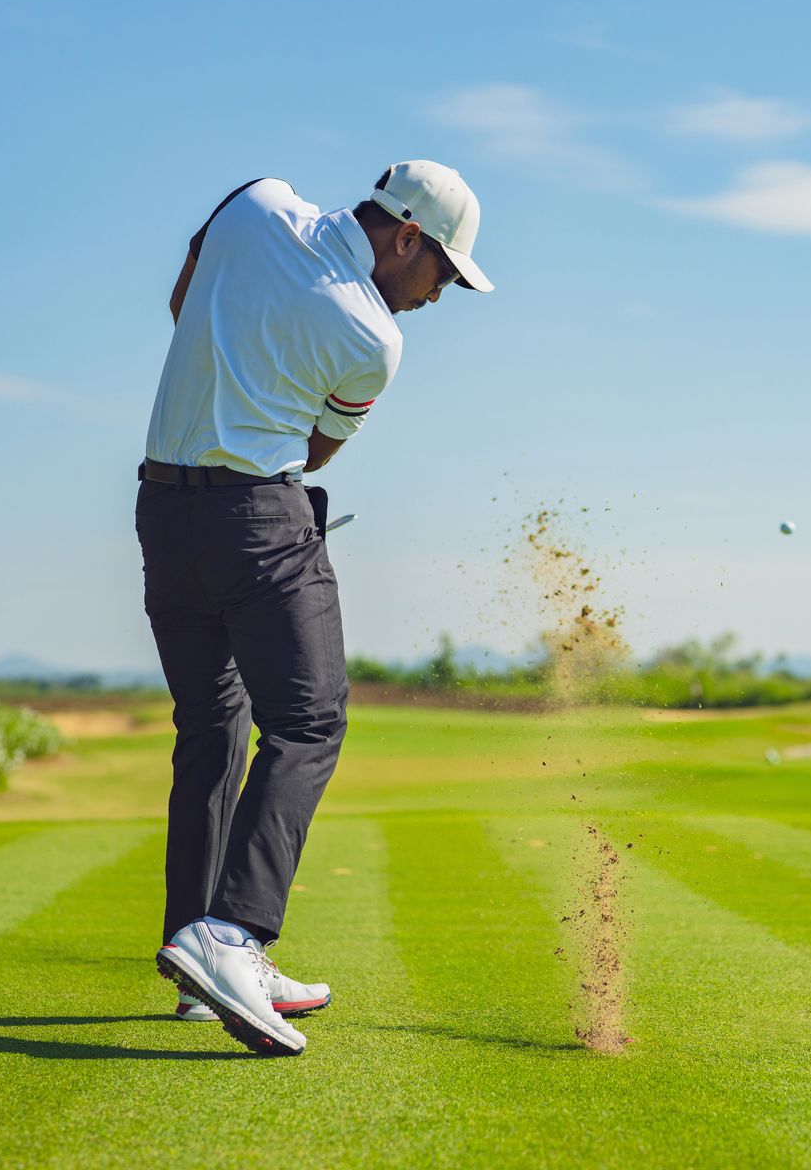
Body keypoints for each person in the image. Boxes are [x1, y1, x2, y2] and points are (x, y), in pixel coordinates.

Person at [138, 161, 493, 1055]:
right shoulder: (373, 336)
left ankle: (196, 959)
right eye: (443, 273)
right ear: (407, 236)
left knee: (212, 726)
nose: (438, 297)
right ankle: (234, 936)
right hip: (258, 520)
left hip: (161, 512)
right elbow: (318, 449)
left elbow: (185, 298)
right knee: (309, 721)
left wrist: (232, 363)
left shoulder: (256, 201)